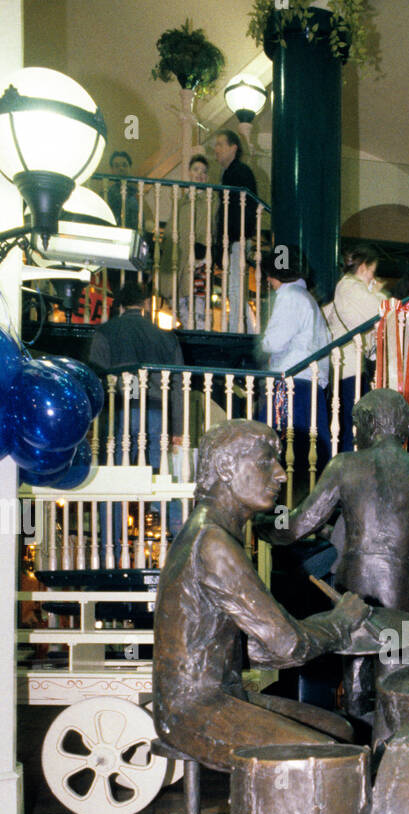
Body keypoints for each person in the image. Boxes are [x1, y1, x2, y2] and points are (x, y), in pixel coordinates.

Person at [152, 420, 369, 774]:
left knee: (341, 730)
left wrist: (305, 632)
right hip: (192, 710)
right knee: (332, 760)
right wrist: (342, 622)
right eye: (266, 461)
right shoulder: (213, 543)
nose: (281, 475)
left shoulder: (215, 531)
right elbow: (289, 646)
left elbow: (258, 644)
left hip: (220, 695)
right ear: (226, 468)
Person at [262, 388, 409, 715]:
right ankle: (392, 755)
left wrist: (263, 519)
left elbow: (293, 527)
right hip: (405, 589)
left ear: (370, 424)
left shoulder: (345, 465)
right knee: (397, 681)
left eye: (357, 426)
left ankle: (360, 753)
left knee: (357, 681)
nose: (355, 434)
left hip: (354, 590)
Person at [88, 279, 185, 554]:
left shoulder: (106, 332)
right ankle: (183, 543)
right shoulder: (165, 337)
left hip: (121, 409)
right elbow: (177, 385)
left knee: (115, 482)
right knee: (161, 478)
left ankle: (111, 549)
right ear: (144, 304)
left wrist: (97, 423)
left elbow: (96, 381)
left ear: (119, 305)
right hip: (156, 410)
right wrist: (177, 427)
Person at [260, 250, 332, 477]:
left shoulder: (289, 297)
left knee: (277, 447)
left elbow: (274, 342)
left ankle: (281, 504)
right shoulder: (309, 299)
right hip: (311, 384)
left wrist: (264, 343)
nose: (268, 281)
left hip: (291, 384)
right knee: (310, 453)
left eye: (268, 276)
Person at [324, 245, 388, 447]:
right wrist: (378, 293)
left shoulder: (344, 288)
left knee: (349, 423)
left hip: (347, 366)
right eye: (371, 272)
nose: (372, 278)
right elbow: (380, 309)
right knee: (353, 426)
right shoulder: (350, 287)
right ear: (362, 268)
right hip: (350, 367)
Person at [213, 130, 258, 333]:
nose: (216, 149)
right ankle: (245, 327)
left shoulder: (238, 172)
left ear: (234, 148)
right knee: (234, 286)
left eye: (221, 144)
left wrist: (231, 238)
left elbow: (242, 210)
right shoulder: (232, 173)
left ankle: (239, 328)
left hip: (236, 238)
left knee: (235, 286)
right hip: (234, 238)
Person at [164, 153, 212, 331]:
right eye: (196, 170)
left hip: (198, 260)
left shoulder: (209, 200)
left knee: (198, 303)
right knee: (180, 304)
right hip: (180, 259)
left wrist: (201, 252)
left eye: (204, 171)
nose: (200, 174)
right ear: (189, 173)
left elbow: (208, 228)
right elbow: (172, 230)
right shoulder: (181, 202)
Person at [105, 150, 139, 229]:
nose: (121, 168)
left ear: (129, 168)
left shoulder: (137, 193)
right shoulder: (106, 193)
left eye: (124, 165)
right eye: (117, 166)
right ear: (112, 170)